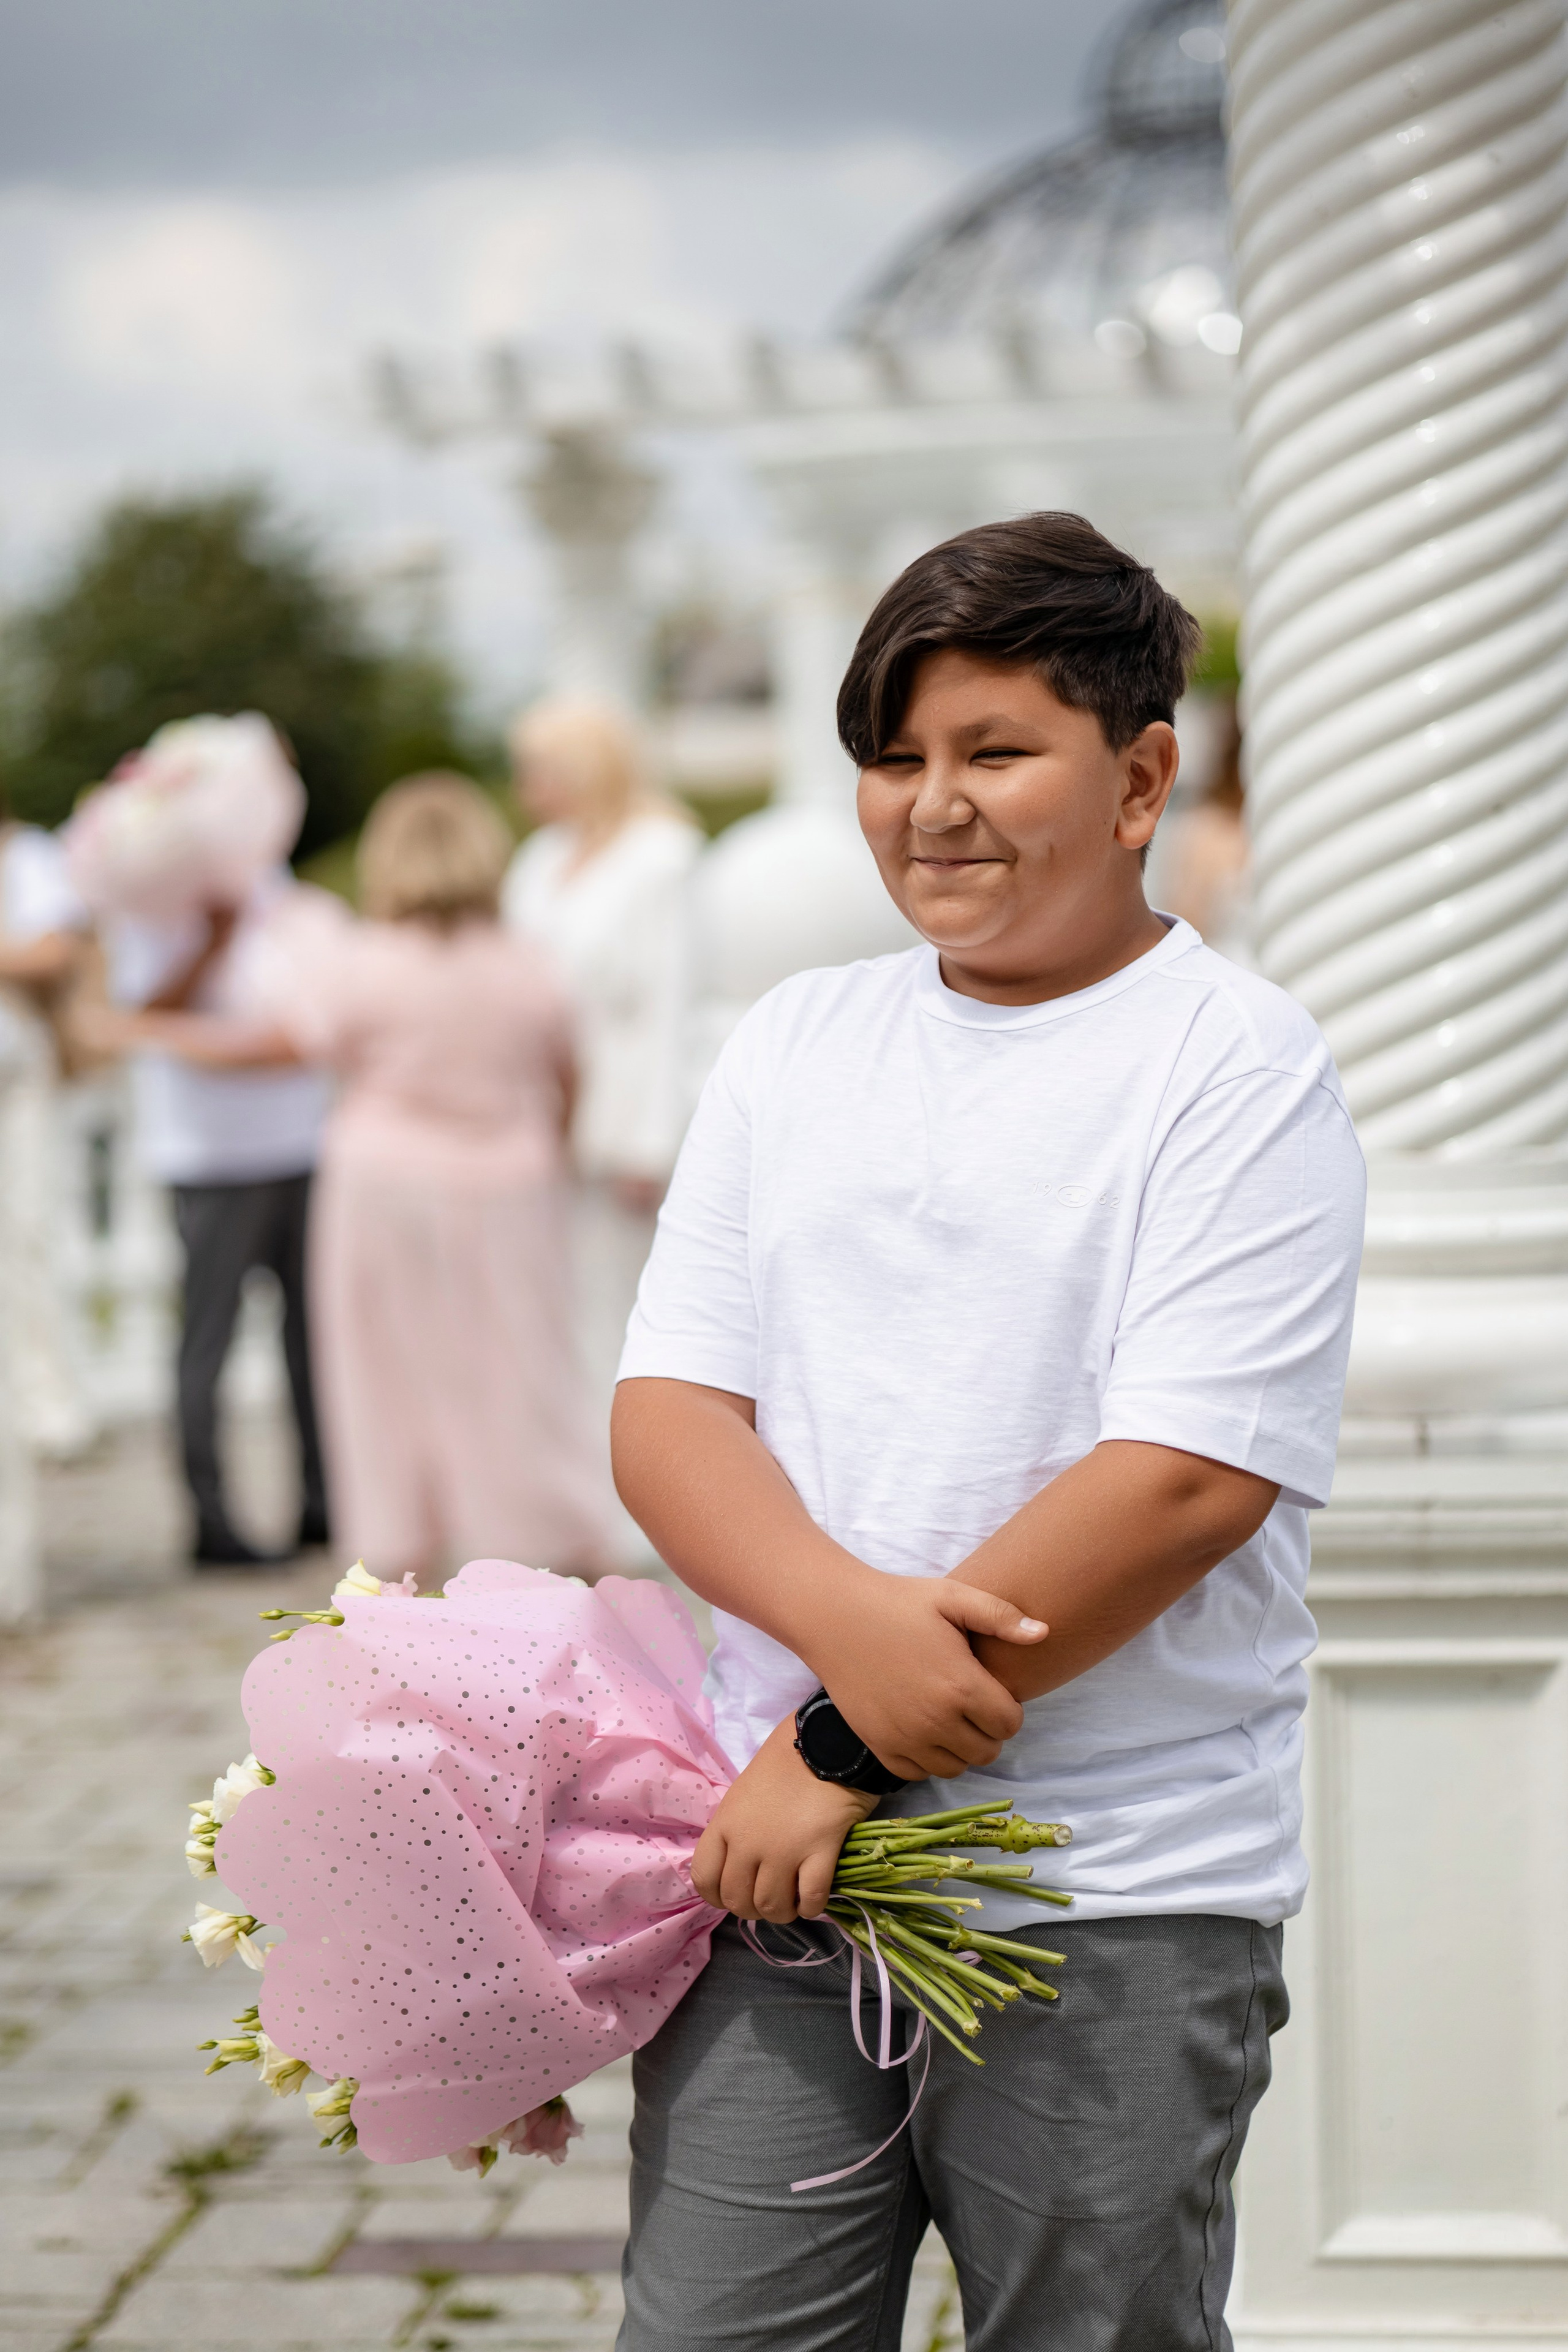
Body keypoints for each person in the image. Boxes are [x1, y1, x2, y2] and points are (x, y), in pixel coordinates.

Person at [609, 514, 1366, 2351]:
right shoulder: (797, 1039)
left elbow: (1182, 1476)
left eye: (991, 752)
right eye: (893, 759)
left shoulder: (1233, 1061)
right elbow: (668, 1408)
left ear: (1139, 777)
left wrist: (847, 1728)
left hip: (1105, 1883)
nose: (930, 807)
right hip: (775, 1856)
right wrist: (838, 1678)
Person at [115, 775, 616, 1587]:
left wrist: (147, 1027)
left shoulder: (363, 962)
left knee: (381, 1371)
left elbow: (273, 1046)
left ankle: (397, 1543)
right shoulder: (531, 965)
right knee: (520, 1365)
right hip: (510, 1181)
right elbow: (568, 1079)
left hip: (382, 1185)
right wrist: (543, 1150)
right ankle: (543, 1532)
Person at [105, 875, 334, 1567]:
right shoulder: (151, 904)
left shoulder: (294, 902)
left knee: (314, 1341)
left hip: (300, 1140)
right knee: (207, 1343)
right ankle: (211, 1520)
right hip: (209, 1157)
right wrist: (211, 943)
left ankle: (322, 1504)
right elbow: (140, 1015)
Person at [502, 699, 701, 1416]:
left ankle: (638, 1492)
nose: (527, 788)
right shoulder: (540, 857)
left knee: (633, 1311)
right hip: (541, 1111)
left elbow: (672, 1003)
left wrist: (651, 1144)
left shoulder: (663, 856)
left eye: (539, 770)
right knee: (565, 1311)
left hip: (621, 1120)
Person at [0, 816, 97, 1457]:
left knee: (28, 1233)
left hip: (15, 1079)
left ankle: (51, 1406)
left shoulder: (26, 854)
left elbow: (57, 951)